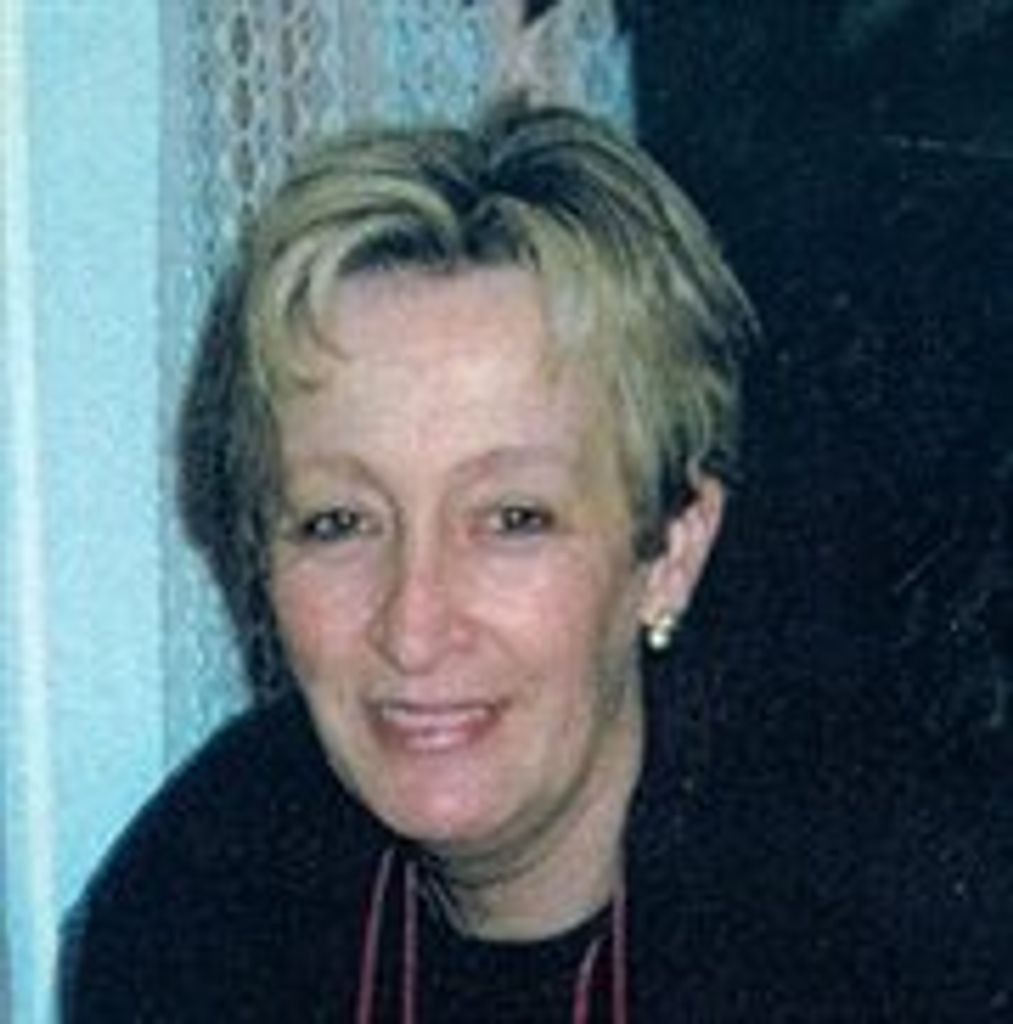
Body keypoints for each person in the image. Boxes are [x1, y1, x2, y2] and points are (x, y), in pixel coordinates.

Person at [61, 103, 1008, 1022]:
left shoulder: (897, 939)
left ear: (670, 550)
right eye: (338, 523)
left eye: (513, 518)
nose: (413, 625)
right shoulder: (196, 910)